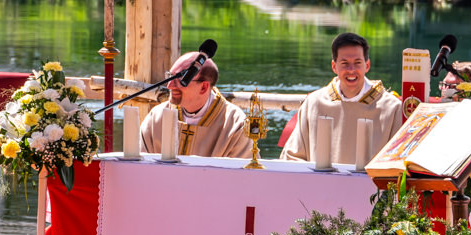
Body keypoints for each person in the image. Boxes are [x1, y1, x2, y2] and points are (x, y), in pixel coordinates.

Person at [279, 32, 403, 166]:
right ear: (334, 66)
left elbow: (397, 163)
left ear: (367, 65)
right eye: (345, 63)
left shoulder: (392, 108)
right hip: (320, 180)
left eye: (357, 63)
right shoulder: (314, 103)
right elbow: (291, 158)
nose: (351, 70)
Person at [143, 47, 253, 158]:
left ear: (203, 87)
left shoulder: (235, 125)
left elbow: (243, 168)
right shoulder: (157, 118)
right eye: (170, 76)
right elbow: (141, 163)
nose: (169, 86)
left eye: (180, 80)